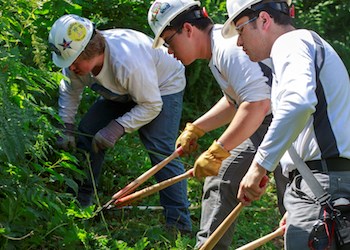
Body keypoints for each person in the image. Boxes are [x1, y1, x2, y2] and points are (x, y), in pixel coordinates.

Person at [148, 0, 288, 248]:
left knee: (293, 200)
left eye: (169, 41)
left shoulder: (228, 49)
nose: (169, 50)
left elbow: (257, 104)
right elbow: (235, 100)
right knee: (222, 179)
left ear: (189, 29)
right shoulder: (218, 52)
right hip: (267, 121)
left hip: (288, 122)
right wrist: (198, 128)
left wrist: (218, 150)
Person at [222, 0, 350, 249]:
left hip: (322, 187)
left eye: (240, 30)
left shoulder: (291, 43)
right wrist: (300, 199)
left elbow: (298, 104)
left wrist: (258, 167)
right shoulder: (306, 47)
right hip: (322, 188)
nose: (239, 42)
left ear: (264, 20)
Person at [48, 14, 192, 234]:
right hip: (122, 90)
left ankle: (179, 224)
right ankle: (84, 200)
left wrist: (116, 128)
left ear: (90, 52)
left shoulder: (127, 60)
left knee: (160, 150)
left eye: (74, 63)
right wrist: (65, 126)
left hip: (162, 87)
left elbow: (151, 105)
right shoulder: (77, 64)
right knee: (88, 132)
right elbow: (69, 91)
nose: (71, 68)